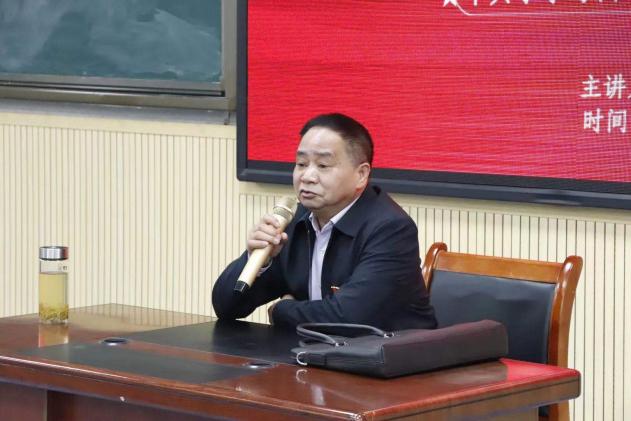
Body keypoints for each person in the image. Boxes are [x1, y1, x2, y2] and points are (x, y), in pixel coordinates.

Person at [212, 113, 436, 331]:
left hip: (389, 353)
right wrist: (257, 259)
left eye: (323, 166)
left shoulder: (390, 229)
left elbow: (348, 318)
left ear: (361, 175)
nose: (307, 177)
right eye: (301, 163)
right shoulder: (295, 221)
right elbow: (226, 307)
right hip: (314, 350)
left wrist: (281, 310)